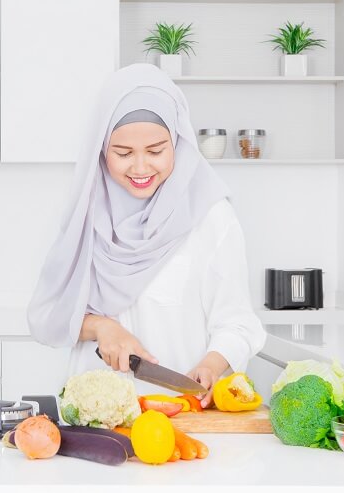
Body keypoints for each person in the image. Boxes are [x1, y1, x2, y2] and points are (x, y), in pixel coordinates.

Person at [27, 63, 266, 407]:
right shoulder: (88, 213)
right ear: (101, 148)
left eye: (156, 151)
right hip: (98, 420)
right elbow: (49, 316)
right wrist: (100, 327)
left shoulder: (212, 217)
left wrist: (212, 365)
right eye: (123, 154)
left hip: (181, 417)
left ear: (179, 143)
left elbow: (239, 323)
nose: (140, 168)